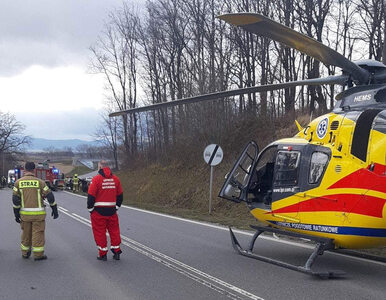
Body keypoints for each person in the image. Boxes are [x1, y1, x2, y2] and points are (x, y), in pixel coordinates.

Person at [12, 162, 59, 260]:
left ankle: (25, 253)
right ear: (34, 170)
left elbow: (15, 199)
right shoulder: (40, 182)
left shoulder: (18, 183)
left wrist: (16, 214)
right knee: (38, 233)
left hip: (24, 215)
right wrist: (54, 209)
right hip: (38, 215)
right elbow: (50, 196)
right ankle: (38, 255)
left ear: (25, 169)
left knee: (26, 233)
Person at [87, 161, 123, 261]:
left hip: (98, 212)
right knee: (114, 231)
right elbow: (120, 195)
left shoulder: (96, 179)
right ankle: (116, 251)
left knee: (100, 232)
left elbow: (91, 196)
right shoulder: (115, 179)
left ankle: (102, 254)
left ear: (100, 167)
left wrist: (90, 209)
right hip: (112, 211)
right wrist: (116, 207)